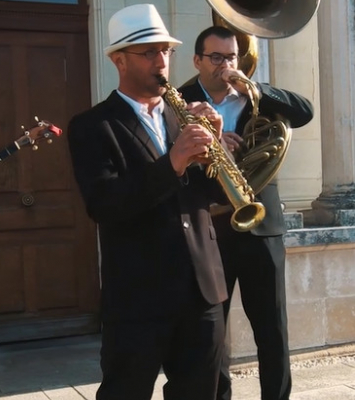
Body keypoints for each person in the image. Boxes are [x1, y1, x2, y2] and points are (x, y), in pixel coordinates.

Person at [67, 4, 232, 399]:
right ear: (119, 60)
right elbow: (105, 204)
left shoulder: (185, 118)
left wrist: (218, 146)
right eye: (149, 52)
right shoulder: (93, 126)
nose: (161, 61)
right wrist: (173, 162)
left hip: (202, 291)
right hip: (138, 297)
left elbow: (219, 196)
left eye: (166, 51)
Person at [179, 26, 314, 400]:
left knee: (273, 329)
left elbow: (305, 111)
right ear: (197, 60)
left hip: (262, 227)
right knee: (211, 332)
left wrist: (255, 86)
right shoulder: (181, 100)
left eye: (231, 57)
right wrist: (210, 143)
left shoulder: (257, 97)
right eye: (216, 57)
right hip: (210, 229)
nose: (224, 65)